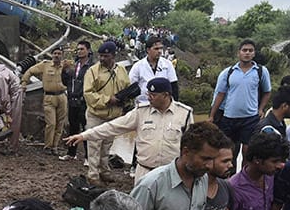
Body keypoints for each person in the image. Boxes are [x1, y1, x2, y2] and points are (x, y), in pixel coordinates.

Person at [64, 77, 193, 184]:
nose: (149, 97)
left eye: (153, 95)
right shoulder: (141, 112)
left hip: (171, 174)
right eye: (148, 94)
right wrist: (84, 135)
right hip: (145, 173)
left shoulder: (184, 114)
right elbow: (113, 127)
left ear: (166, 95)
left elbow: (192, 147)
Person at [209, 40, 271, 155]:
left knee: (248, 152)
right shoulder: (229, 72)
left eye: (250, 50)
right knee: (229, 151)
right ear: (239, 53)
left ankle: (244, 173)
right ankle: (229, 173)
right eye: (244, 50)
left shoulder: (261, 71)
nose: (247, 53)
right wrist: (212, 115)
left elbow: (267, 92)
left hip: (250, 117)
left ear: (254, 53)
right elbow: (220, 94)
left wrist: (261, 109)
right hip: (229, 117)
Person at [83, 41, 130, 184]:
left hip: (114, 116)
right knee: (94, 146)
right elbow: (88, 93)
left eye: (106, 56)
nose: (102, 59)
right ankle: (93, 175)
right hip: (96, 115)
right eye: (101, 56)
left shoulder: (121, 70)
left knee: (107, 146)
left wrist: (126, 100)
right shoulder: (92, 71)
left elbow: (126, 87)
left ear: (113, 56)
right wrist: (108, 99)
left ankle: (104, 170)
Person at [21, 47, 70, 156]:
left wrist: (67, 68)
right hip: (49, 97)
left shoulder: (66, 66)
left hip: (62, 96)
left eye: (59, 53)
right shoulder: (45, 65)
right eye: (55, 53)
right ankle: (47, 146)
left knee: (60, 124)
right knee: (51, 123)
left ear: (62, 55)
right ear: (52, 55)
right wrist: (24, 82)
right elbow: (30, 71)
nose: (57, 55)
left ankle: (55, 146)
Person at [62, 41, 93, 160]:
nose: (79, 51)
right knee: (73, 127)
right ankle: (71, 153)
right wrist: (64, 71)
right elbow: (66, 82)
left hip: (84, 101)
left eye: (82, 49)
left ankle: (88, 157)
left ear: (88, 50)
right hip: (72, 100)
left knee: (86, 128)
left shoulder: (91, 66)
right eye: (78, 49)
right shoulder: (74, 65)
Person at [127, 36, 179, 104]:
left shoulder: (167, 64)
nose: (160, 51)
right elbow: (130, 87)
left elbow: (174, 86)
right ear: (148, 50)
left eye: (161, 48)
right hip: (143, 105)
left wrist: (174, 104)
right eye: (156, 49)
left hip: (163, 106)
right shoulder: (138, 66)